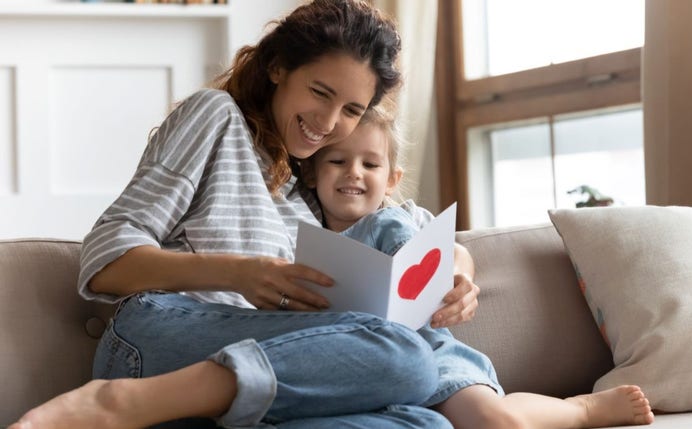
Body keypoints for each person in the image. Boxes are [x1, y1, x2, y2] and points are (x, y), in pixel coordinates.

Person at [10, 0, 653, 427]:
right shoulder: (216, 119)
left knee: (425, 419)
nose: (327, 124)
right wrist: (239, 274)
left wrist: (455, 269)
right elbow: (104, 258)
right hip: (154, 340)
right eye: (320, 94)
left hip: (256, 367)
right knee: (402, 358)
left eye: (349, 111)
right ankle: (116, 405)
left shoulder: (304, 187)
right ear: (278, 69)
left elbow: (397, 219)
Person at [301, 104, 657, 429]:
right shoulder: (298, 234)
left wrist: (460, 276)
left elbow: (456, 252)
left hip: (429, 352)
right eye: (337, 162)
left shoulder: (402, 218)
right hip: (355, 371)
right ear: (313, 173)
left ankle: (582, 410)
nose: (354, 173)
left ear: (392, 178)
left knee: (495, 422)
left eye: (370, 164)